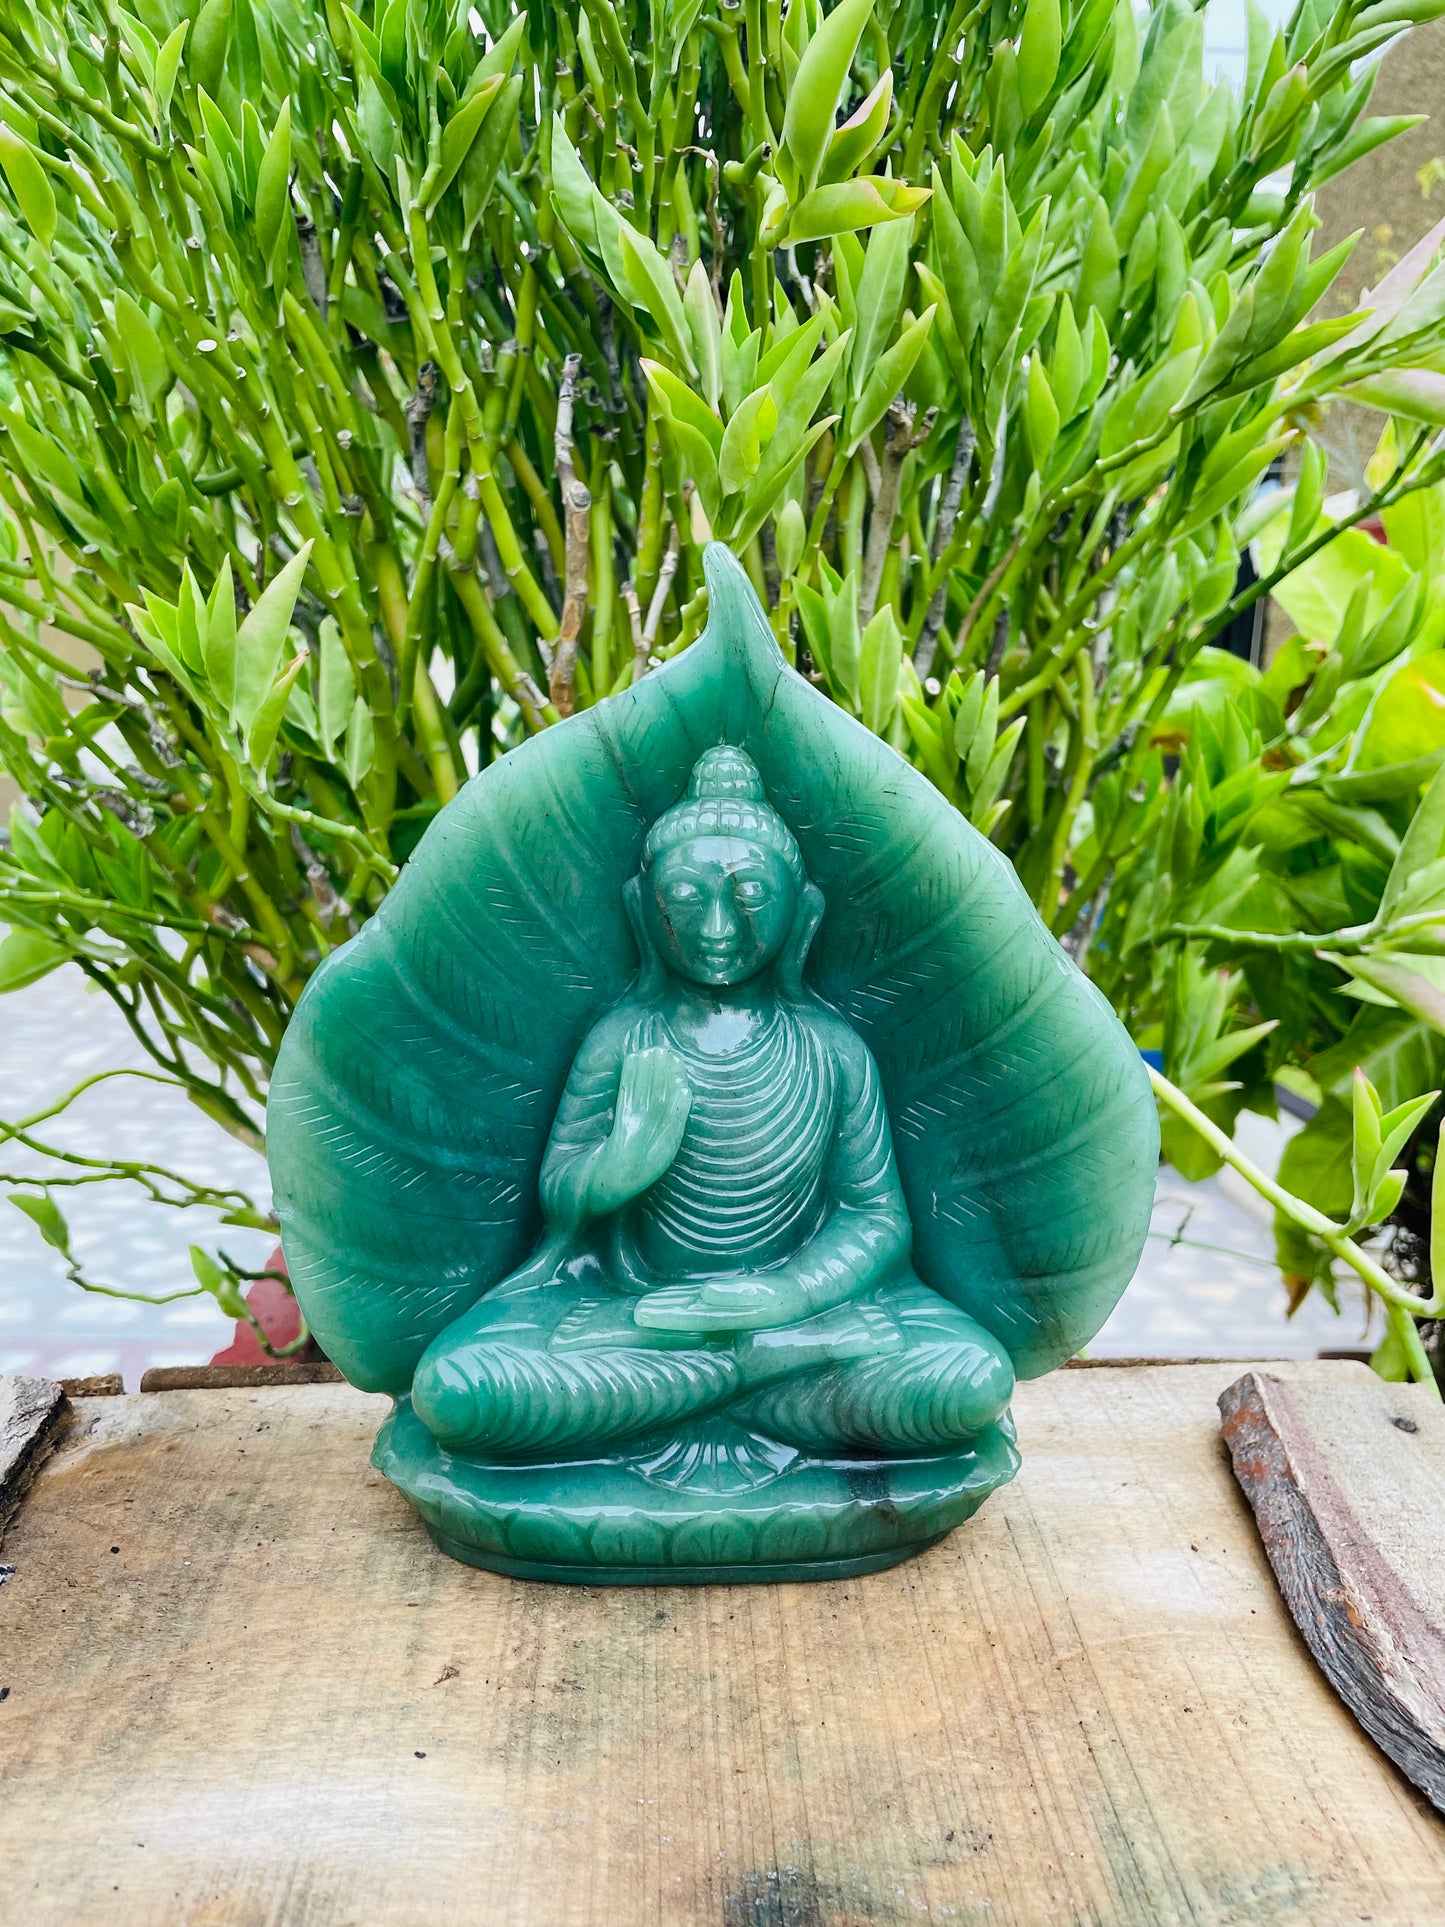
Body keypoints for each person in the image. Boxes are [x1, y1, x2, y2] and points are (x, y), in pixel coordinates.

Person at [410, 744, 1013, 1469]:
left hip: (794, 1316)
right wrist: (614, 1169)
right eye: (687, 897)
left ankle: (704, 1387)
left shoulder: (832, 1050)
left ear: (802, 912)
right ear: (644, 908)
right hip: (641, 1312)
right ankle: (747, 1378)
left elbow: (875, 1216)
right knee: (458, 1386)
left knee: (967, 1378)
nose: (718, 926)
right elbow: (559, 1200)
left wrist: (785, 1294)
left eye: (751, 895)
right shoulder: (620, 1040)